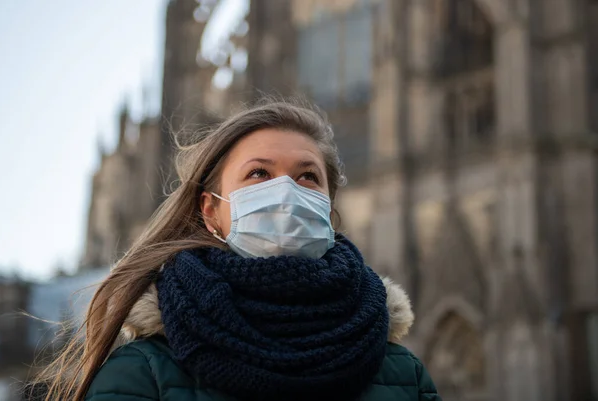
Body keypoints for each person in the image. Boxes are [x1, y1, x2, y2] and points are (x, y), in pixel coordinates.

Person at [37, 100, 441, 401]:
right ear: (211, 210)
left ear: (329, 210)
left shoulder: (402, 372)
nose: (286, 193)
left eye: (307, 176)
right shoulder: (142, 373)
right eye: (259, 174)